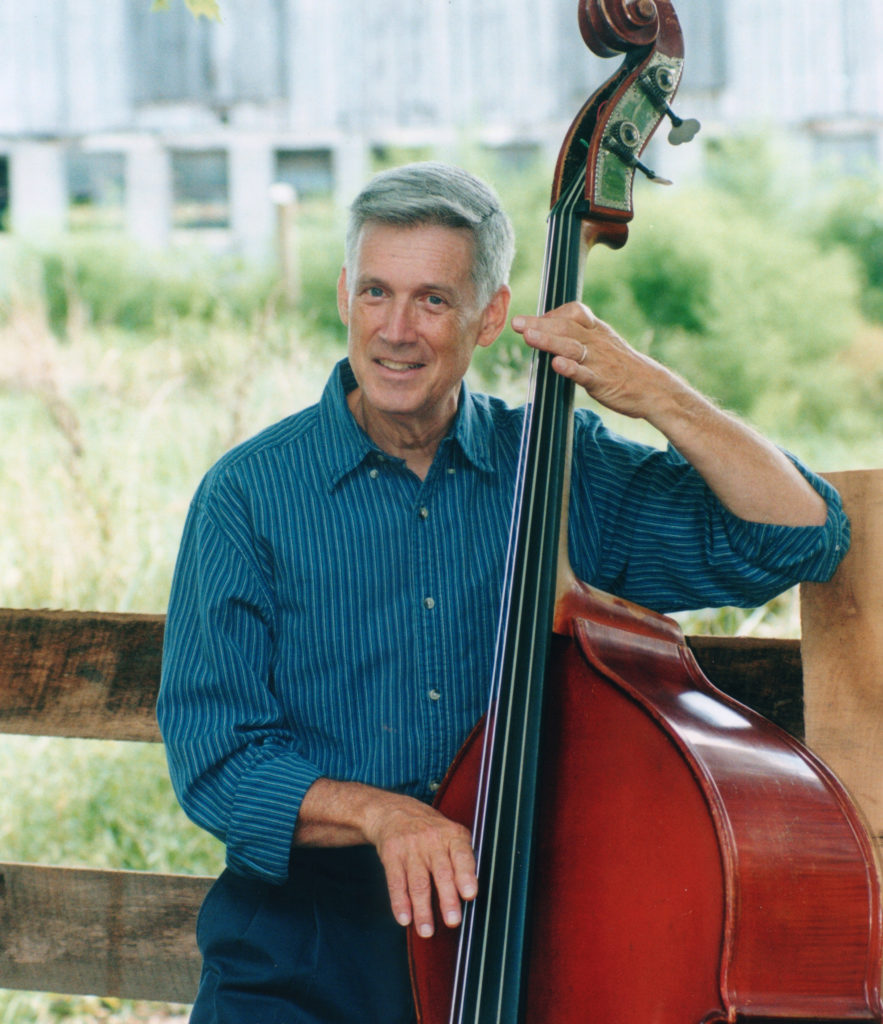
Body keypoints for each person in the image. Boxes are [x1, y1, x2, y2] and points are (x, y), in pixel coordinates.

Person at [157, 161, 848, 1023]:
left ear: (490, 315)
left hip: (525, 936)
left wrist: (655, 393)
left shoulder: (564, 469)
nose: (396, 330)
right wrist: (385, 816)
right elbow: (217, 758)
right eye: (376, 292)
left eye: (433, 300)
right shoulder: (248, 495)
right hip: (305, 949)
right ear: (342, 294)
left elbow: (798, 536)